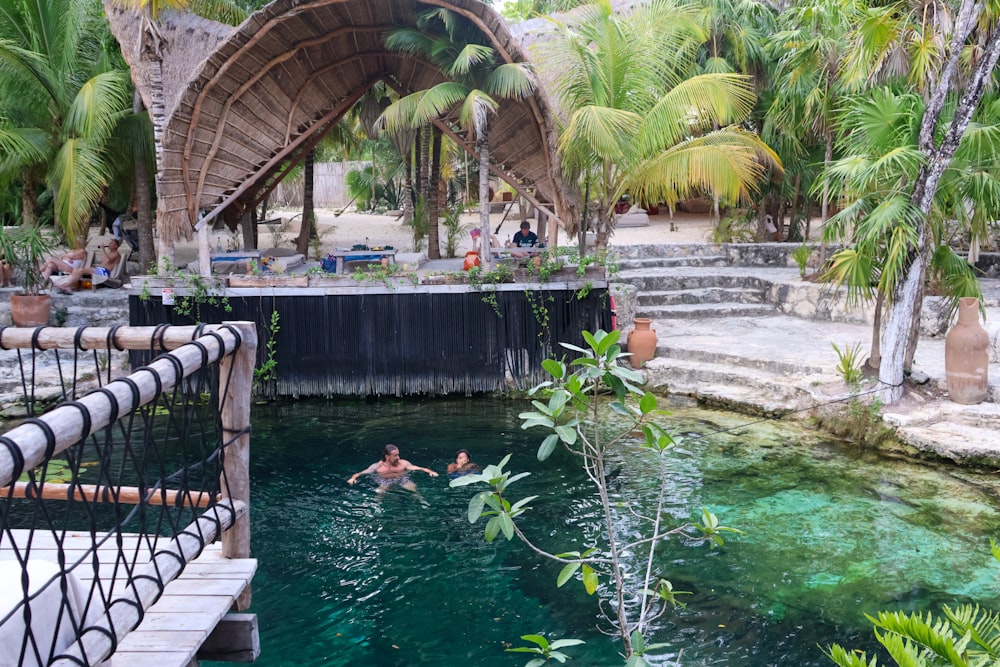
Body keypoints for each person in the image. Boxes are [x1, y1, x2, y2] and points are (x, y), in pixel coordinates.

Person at [348, 444, 438, 493]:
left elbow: (419, 468)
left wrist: (430, 472)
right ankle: (377, 507)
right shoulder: (377, 466)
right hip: (384, 480)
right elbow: (360, 473)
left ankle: (421, 501)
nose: (398, 457)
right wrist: (353, 478)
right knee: (380, 492)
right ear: (387, 456)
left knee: (413, 490)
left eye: (398, 454)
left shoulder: (403, 463)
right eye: (395, 455)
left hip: (401, 479)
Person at [54, 239, 121, 294]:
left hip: (104, 272)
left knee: (80, 270)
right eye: (109, 243)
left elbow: (107, 260)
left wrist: (102, 250)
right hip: (99, 269)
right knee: (77, 270)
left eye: (111, 243)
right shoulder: (110, 253)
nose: (109, 244)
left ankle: (67, 285)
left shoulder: (116, 254)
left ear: (116, 246)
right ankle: (69, 285)